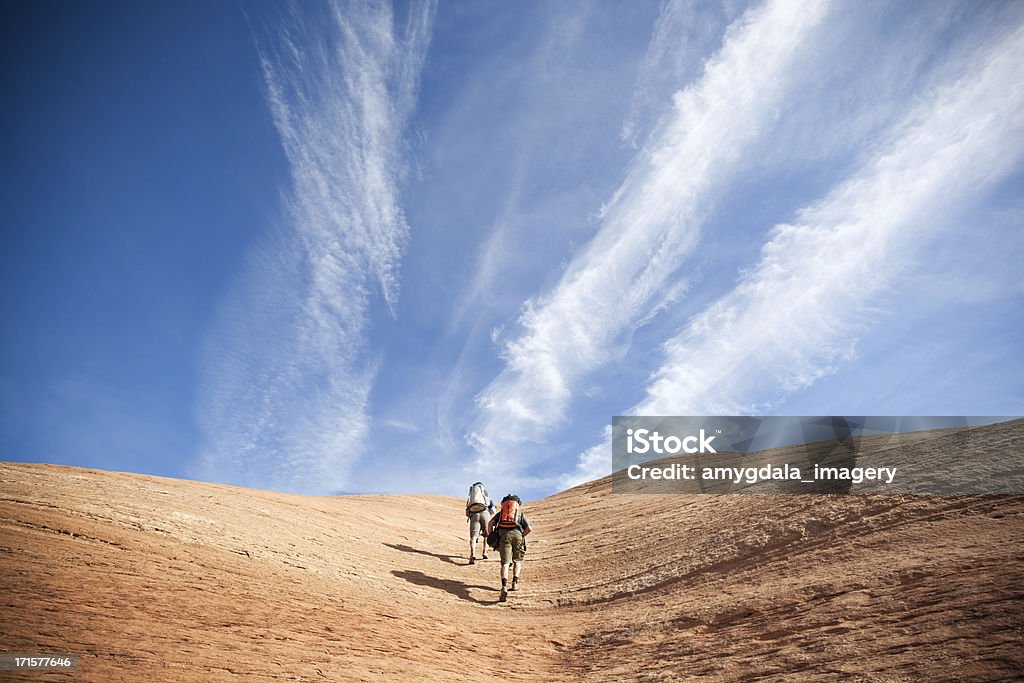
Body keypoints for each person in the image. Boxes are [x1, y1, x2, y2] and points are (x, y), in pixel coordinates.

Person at [487, 494, 531, 597]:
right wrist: (522, 536)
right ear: (517, 504)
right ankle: (515, 583)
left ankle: (504, 586)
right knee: (517, 561)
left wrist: (492, 534)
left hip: (504, 537)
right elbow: (529, 528)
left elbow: (490, 524)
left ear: (504, 504)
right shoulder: (520, 514)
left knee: (505, 563)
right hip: (518, 537)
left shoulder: (501, 513)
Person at [465, 482, 495, 564]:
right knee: (487, 534)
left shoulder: (470, 499)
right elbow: (493, 511)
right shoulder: (487, 498)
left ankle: (472, 554)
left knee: (473, 536)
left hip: (474, 515)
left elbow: (467, 513)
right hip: (485, 513)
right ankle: (485, 552)